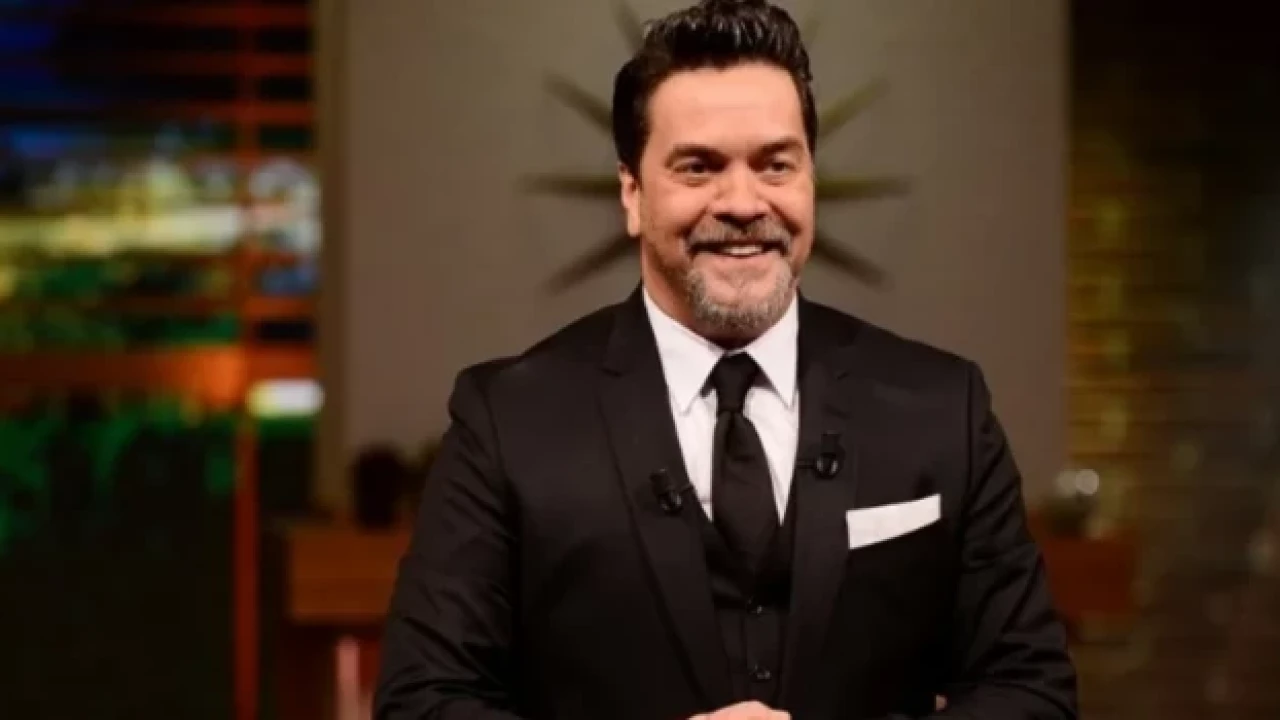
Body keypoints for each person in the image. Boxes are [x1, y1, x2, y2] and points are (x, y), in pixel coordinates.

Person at [373, 1, 1078, 718]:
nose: (743, 202)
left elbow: (1032, 693)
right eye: (699, 168)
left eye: (776, 165)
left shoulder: (943, 408)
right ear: (631, 194)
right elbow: (423, 702)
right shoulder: (508, 422)